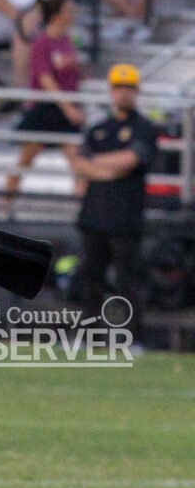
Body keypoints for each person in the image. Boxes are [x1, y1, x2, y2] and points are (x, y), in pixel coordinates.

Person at [69, 64, 159, 348]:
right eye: (119, 87)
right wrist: (109, 167)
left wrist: (97, 164)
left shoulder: (143, 128)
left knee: (127, 281)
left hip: (125, 217)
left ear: (137, 91)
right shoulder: (98, 129)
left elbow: (131, 161)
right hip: (94, 214)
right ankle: (88, 336)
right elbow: (79, 164)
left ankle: (134, 338)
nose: (123, 93)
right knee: (91, 279)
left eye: (129, 87)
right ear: (111, 91)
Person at [4, 0, 83, 210]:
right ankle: (6, 205)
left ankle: (82, 207)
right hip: (46, 108)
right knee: (26, 159)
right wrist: (68, 107)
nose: (72, 14)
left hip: (66, 108)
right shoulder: (42, 42)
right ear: (57, 15)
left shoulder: (67, 40)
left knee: (78, 162)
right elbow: (45, 78)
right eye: (68, 10)